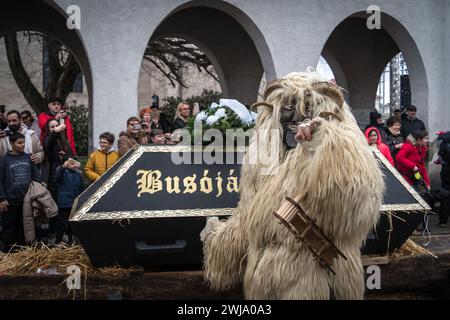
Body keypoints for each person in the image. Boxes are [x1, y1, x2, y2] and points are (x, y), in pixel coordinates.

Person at [0, 132, 40, 252]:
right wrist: (2, 198)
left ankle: (23, 252)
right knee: (9, 228)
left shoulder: (28, 157)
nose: (23, 145)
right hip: (10, 201)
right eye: (19, 143)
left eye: (23, 142)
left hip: (26, 201)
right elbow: (0, 180)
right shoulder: (4, 160)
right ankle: (9, 253)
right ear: (11, 144)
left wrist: (35, 195)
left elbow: (36, 178)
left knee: (24, 227)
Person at [54, 158, 84, 243]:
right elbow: (57, 178)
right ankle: (59, 241)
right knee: (62, 224)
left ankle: (71, 241)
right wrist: (63, 167)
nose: (73, 165)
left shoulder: (78, 174)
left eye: (75, 163)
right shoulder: (62, 171)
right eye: (71, 163)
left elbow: (82, 187)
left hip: (74, 203)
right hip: (64, 203)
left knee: (72, 225)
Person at [438, 131, 450, 227]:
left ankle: (443, 220)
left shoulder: (443, 142)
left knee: (445, 195)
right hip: (447, 170)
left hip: (445, 170)